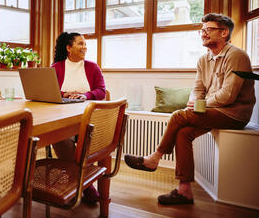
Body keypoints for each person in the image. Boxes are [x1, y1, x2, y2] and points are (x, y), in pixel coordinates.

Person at [124, 13, 256, 205]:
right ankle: (184, 191)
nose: (203, 34)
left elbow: (228, 95)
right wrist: (194, 102)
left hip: (234, 114)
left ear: (224, 32)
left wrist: (200, 105)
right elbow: (198, 89)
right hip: (214, 111)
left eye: (208, 30)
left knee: (178, 116)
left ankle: (154, 158)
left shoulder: (237, 55)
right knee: (183, 133)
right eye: (201, 30)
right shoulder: (203, 59)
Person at [51, 32, 106, 204]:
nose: (84, 47)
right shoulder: (56, 67)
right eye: (80, 44)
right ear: (69, 48)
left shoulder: (92, 67)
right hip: (63, 119)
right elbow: (50, 91)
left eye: (85, 44)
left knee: (85, 138)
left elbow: (102, 91)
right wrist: (64, 94)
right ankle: (86, 185)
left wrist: (85, 95)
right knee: (58, 137)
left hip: (88, 119)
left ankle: (78, 183)